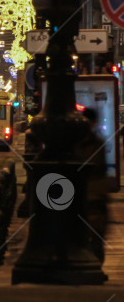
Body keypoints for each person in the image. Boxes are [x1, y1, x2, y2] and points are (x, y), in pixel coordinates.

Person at [79, 107, 110, 262]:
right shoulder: (95, 143)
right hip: (90, 196)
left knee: (94, 236)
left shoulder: (91, 143)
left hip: (91, 196)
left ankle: (94, 263)